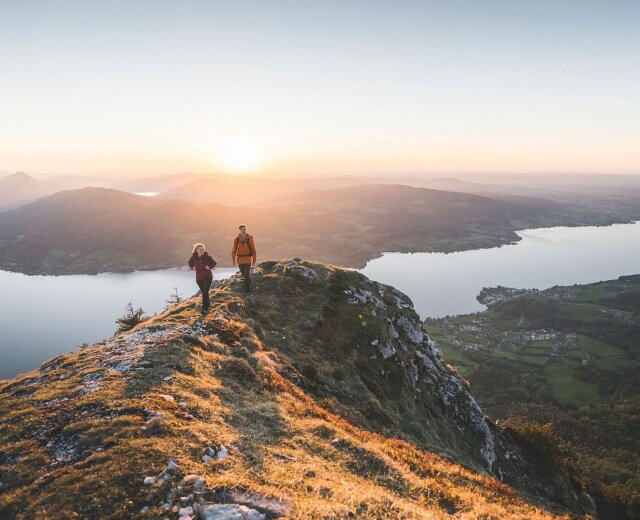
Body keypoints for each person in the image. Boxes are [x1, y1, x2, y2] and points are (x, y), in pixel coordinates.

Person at [188, 243, 217, 312]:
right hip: (199, 278)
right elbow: (190, 262)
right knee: (204, 293)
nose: (202, 251)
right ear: (196, 250)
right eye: (200, 250)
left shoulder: (208, 257)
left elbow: (214, 263)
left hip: (208, 277)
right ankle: (208, 304)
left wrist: (209, 267)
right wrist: (192, 267)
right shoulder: (193, 257)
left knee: (205, 292)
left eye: (203, 249)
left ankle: (204, 308)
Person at [231, 225, 256, 293]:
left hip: (248, 259)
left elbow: (253, 250)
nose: (244, 230)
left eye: (245, 229)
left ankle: (247, 290)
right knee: (243, 273)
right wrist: (234, 260)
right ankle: (249, 280)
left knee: (246, 274)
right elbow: (234, 250)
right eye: (242, 229)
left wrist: (254, 260)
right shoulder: (236, 239)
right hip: (240, 260)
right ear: (239, 230)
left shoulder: (249, 239)